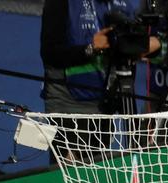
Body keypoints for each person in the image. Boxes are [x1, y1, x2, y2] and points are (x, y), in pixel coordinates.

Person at [40, 0, 160, 161]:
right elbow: (50, 53)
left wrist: (146, 47)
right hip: (68, 108)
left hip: (104, 106)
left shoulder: (124, 5)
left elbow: (128, 45)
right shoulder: (61, 3)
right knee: (68, 179)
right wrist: (91, 48)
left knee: (99, 177)